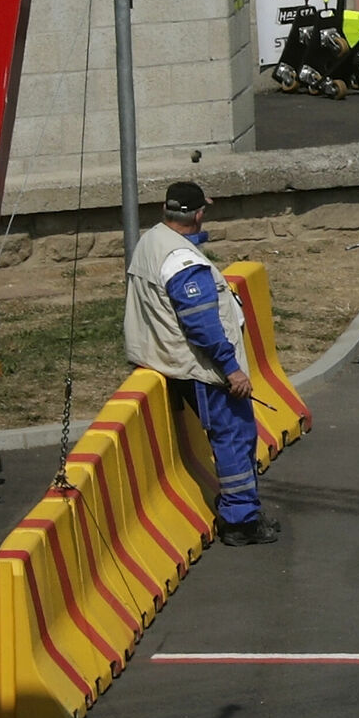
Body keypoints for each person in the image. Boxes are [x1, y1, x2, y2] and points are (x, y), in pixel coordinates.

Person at [124, 182, 275, 546]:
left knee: (230, 437)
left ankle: (240, 512)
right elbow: (202, 324)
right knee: (235, 436)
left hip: (163, 360)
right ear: (198, 214)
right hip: (201, 368)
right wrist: (231, 369)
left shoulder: (151, 241)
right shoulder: (183, 261)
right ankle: (241, 521)